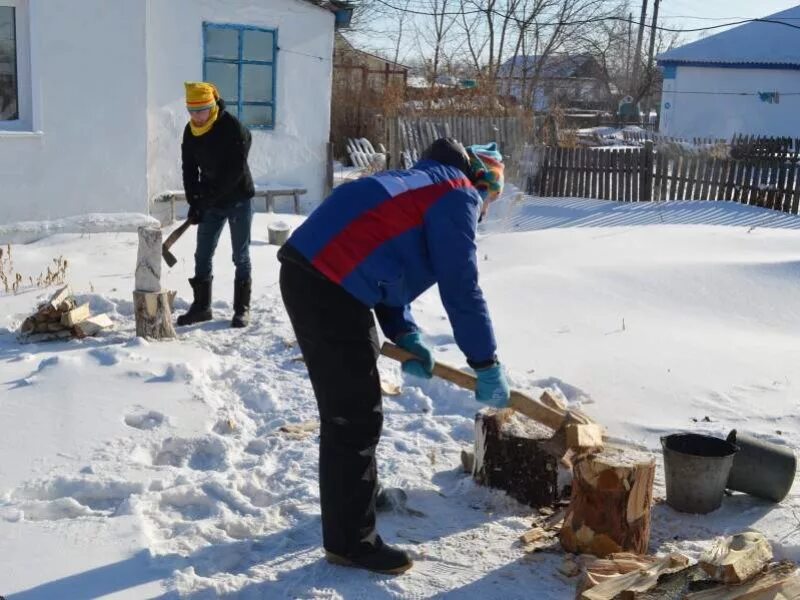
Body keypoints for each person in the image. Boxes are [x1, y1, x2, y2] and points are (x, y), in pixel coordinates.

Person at [277, 138, 511, 575]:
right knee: (353, 416)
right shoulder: (456, 192)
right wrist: (486, 362)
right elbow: (461, 286)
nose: (485, 208)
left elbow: (385, 260)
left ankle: (357, 499)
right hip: (327, 285)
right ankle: (351, 543)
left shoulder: (419, 184)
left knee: (356, 407)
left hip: (325, 279)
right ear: (482, 183)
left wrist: (405, 333)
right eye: (491, 198)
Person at [177, 81, 255, 328]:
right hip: (211, 199)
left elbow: (234, 173)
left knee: (239, 255)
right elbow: (189, 169)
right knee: (202, 253)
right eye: (191, 111)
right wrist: (194, 200)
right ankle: (202, 307)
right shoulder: (191, 132)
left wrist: (206, 199)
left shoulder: (231, 128)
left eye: (201, 111)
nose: (196, 117)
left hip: (238, 197)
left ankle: (242, 308)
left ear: (212, 107)